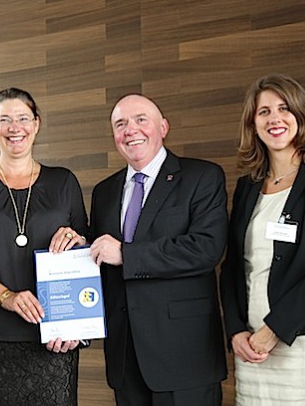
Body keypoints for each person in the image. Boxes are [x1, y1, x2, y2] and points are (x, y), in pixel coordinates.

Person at [219, 74, 305, 405]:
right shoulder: (247, 187)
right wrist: (236, 330)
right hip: (254, 351)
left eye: (284, 109)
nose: (275, 119)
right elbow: (233, 268)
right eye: (263, 111)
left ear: (299, 115)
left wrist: (275, 330)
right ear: (253, 124)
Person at [0, 87, 87, 405]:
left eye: (23, 118)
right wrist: (6, 297)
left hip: (52, 336)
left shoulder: (63, 181)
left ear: (37, 124)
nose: (15, 127)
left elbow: (84, 249)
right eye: (5, 119)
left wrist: (79, 241)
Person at [89, 94, 228, 406]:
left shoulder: (202, 177)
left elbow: (205, 249)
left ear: (163, 127)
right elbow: (97, 260)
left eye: (141, 120)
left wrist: (127, 254)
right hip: (126, 358)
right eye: (120, 124)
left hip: (184, 357)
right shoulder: (104, 192)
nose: (130, 130)